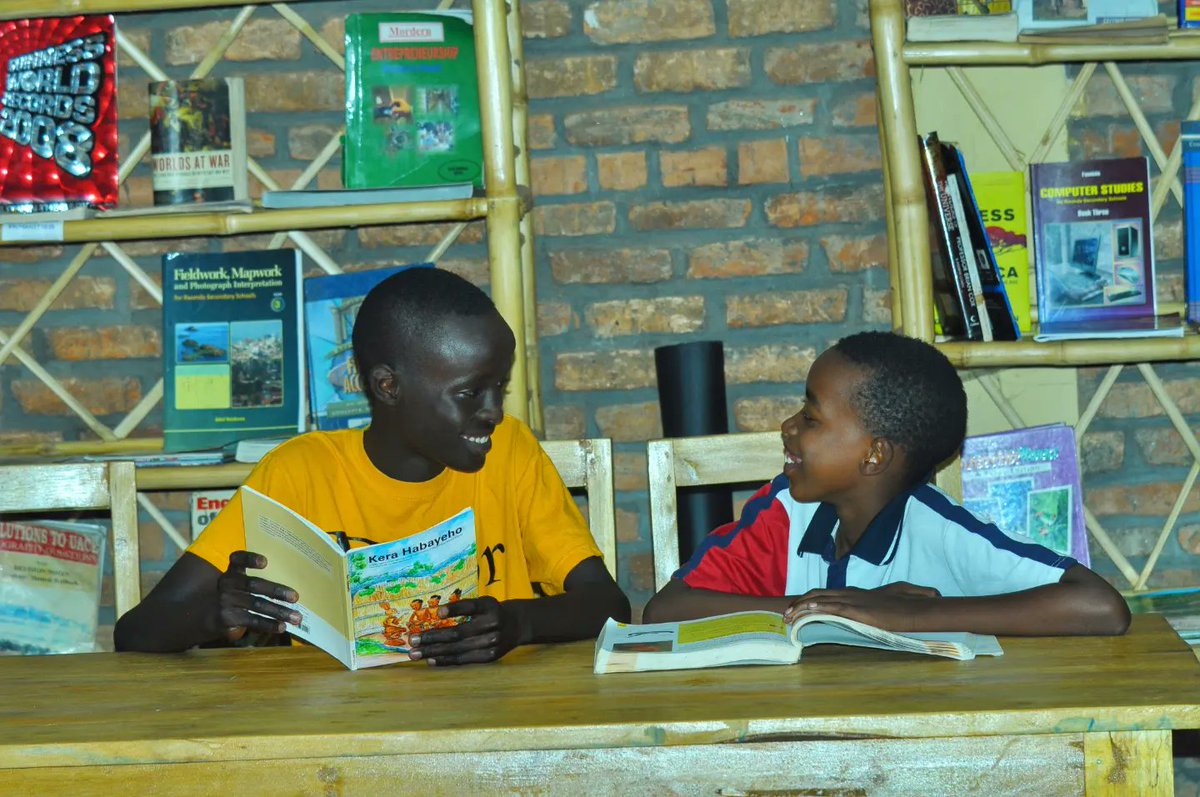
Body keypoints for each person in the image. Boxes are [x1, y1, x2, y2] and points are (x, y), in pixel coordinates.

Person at [115, 267, 631, 663]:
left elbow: (607, 603)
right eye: (470, 392)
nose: (494, 411)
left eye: (500, 386)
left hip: (488, 725)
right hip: (337, 734)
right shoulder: (299, 473)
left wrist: (517, 624)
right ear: (388, 386)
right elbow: (135, 632)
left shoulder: (510, 452)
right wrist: (216, 614)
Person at [642, 331, 1130, 637]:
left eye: (810, 417)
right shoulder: (786, 510)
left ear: (874, 455)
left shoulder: (939, 528)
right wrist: (826, 612)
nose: (788, 426)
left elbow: (1100, 606)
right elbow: (666, 609)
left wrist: (906, 616)